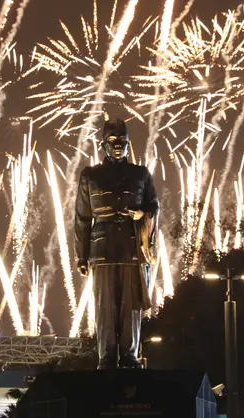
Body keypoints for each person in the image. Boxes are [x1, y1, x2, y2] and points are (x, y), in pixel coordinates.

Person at [74, 118, 160, 370]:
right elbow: (82, 217)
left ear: (128, 143)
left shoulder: (140, 174)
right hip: (101, 251)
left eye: (122, 141)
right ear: (102, 144)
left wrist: (142, 213)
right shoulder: (90, 175)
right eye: (112, 141)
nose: (117, 146)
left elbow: (154, 206)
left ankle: (129, 356)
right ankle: (106, 357)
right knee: (104, 307)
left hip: (132, 249)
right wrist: (82, 255)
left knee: (131, 307)